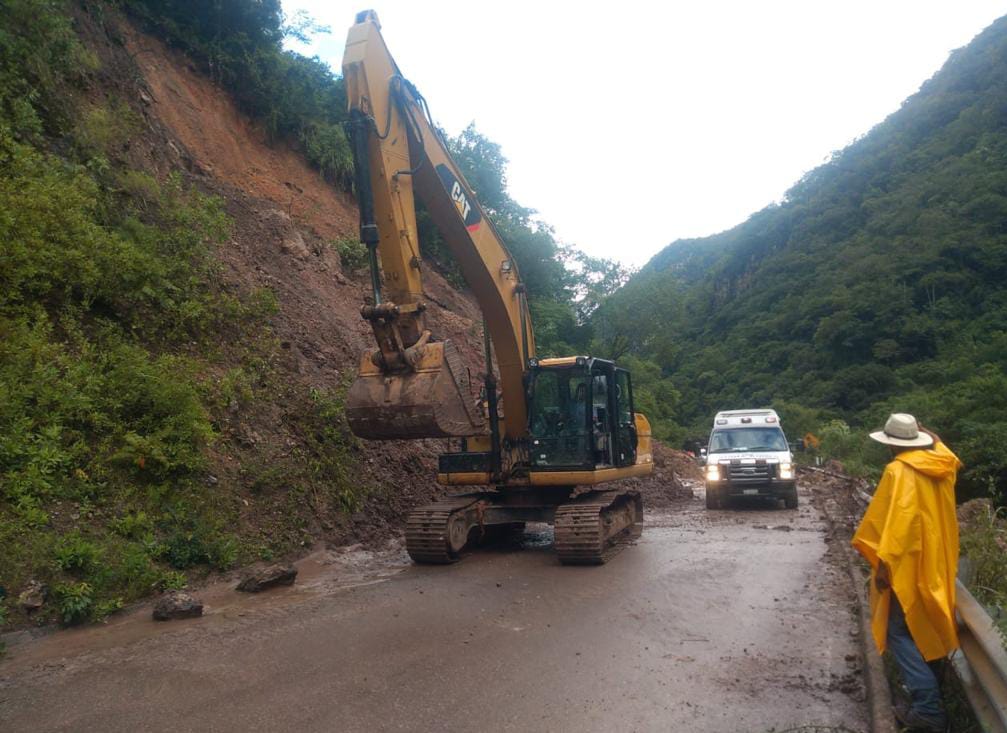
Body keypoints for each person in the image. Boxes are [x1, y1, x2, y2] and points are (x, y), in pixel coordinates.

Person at [852, 413, 962, 732]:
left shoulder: (897, 471)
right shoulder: (943, 465)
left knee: (897, 631)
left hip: (907, 565)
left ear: (890, 445)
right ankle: (926, 698)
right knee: (921, 626)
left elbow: (895, 526)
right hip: (937, 564)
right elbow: (945, 449)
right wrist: (927, 433)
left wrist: (884, 568)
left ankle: (928, 708)